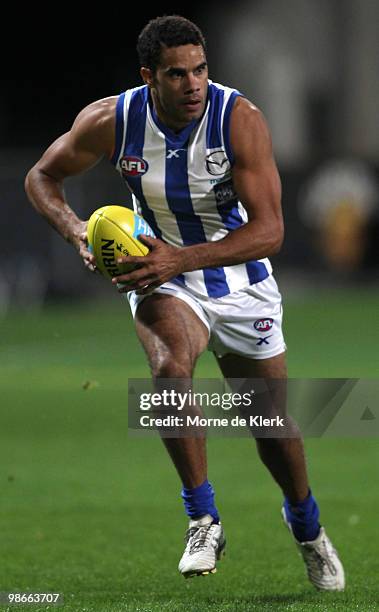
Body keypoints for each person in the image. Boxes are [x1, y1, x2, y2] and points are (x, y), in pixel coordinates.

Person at [24, 15, 344, 590]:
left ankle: (307, 525)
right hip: (159, 271)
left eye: (200, 70)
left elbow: (271, 232)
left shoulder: (238, 119)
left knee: (270, 424)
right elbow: (42, 177)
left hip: (237, 273)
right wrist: (77, 232)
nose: (193, 84)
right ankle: (202, 517)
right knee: (170, 370)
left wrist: (181, 257)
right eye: (178, 74)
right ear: (150, 76)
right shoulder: (111, 120)